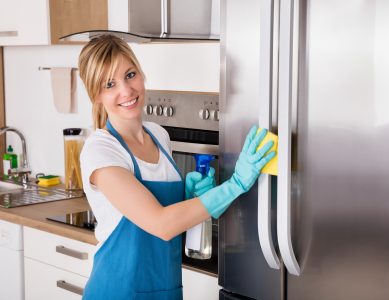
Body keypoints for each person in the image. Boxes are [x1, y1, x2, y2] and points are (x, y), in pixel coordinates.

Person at [78, 34, 276, 300]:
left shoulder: (159, 136)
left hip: (166, 289)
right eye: (110, 84)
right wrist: (236, 184)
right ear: (97, 95)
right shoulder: (101, 150)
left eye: (130, 74)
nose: (126, 90)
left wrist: (190, 197)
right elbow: (161, 223)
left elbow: (170, 217)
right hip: (118, 292)